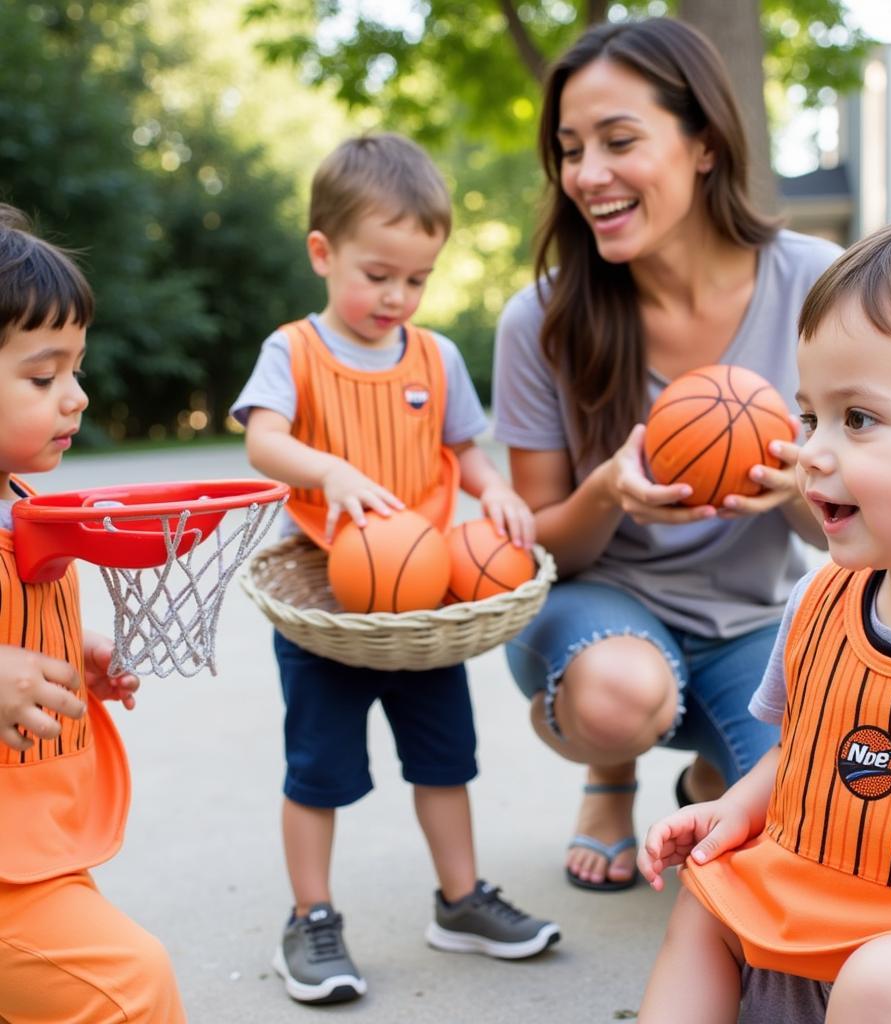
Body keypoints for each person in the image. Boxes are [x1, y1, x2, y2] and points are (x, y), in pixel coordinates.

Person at [637, 202, 891, 1024]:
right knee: (708, 900)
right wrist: (734, 808)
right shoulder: (821, 599)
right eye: (809, 414)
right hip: (821, 901)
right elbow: (804, 752)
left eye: (859, 419)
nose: (810, 449)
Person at [492, 16, 836, 892]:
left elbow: (862, 530)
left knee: (800, 832)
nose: (587, 175)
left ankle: (710, 773)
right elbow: (538, 548)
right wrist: (608, 491)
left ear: (705, 145)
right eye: (570, 149)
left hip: (756, 622)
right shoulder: (543, 321)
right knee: (619, 693)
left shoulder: (819, 285)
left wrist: (799, 486)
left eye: (619, 140)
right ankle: (607, 776)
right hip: (600, 613)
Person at [231, 133, 560, 1006]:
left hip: (421, 602)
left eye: (416, 278)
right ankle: (310, 920)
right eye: (379, 274)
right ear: (323, 253)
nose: (398, 296)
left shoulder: (436, 357)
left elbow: (468, 450)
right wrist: (327, 470)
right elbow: (264, 438)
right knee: (319, 773)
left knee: (445, 762)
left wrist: (492, 494)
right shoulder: (293, 349)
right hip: (332, 594)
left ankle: (461, 901)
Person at [0, 205, 185, 1022]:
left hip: (29, 841)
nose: (75, 397)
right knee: (131, 985)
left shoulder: (21, 507)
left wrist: (70, 650)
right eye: (43, 377)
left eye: (75, 369)